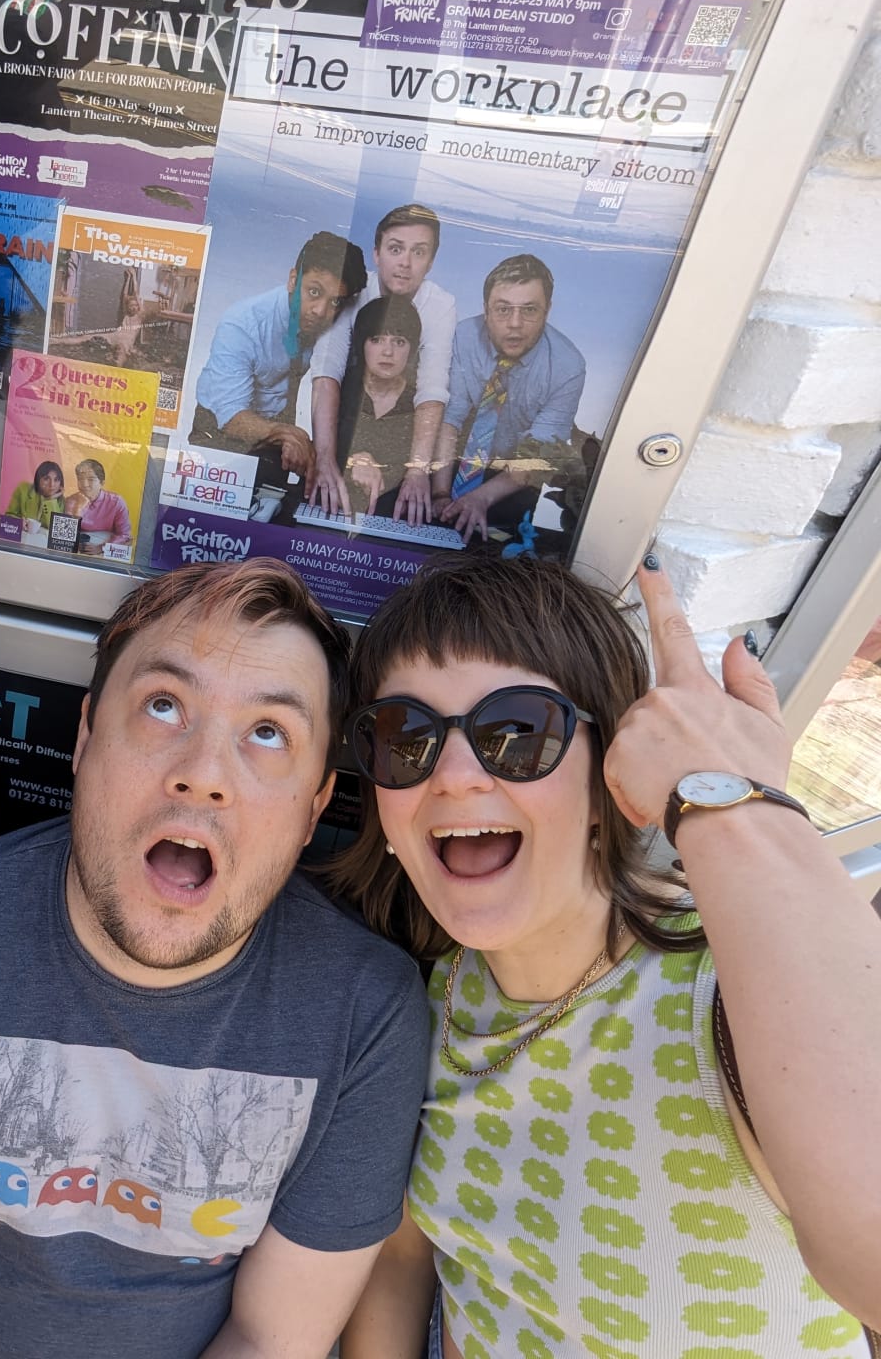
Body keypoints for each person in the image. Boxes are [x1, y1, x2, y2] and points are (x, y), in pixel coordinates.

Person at [0, 559, 431, 1358]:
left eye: (269, 733)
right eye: (165, 706)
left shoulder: (366, 1015)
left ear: (316, 807)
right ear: (86, 736)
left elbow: (272, 1337)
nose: (203, 775)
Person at [333, 554, 881, 1359]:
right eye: (404, 738)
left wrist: (731, 799)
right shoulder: (432, 992)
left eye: (517, 732)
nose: (452, 776)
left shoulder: (723, 991)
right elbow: (406, 1256)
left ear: (610, 778)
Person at [307, 204, 456, 523]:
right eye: (395, 249)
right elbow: (327, 370)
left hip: (397, 431)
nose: (405, 263)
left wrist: (418, 470)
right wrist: (325, 458)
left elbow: (432, 388)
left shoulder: (441, 305)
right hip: (347, 421)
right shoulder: (355, 291)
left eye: (419, 252)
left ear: (431, 261)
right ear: (377, 254)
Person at [191, 231, 367, 488]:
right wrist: (286, 434)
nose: (320, 311)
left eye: (335, 301)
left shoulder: (334, 324)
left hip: (278, 430)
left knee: (276, 499)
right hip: (220, 427)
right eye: (314, 291)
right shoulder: (242, 324)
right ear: (293, 280)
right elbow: (230, 416)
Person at [431, 254, 585, 544]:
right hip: (446, 464)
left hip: (512, 481)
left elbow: (535, 455)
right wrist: (439, 494)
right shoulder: (463, 337)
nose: (515, 323)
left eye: (529, 310)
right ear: (485, 309)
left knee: (498, 552)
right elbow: (449, 419)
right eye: (503, 309)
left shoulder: (568, 366)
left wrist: (480, 499)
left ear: (548, 310)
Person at [324, 296, 422, 516]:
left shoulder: (420, 403)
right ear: (362, 344)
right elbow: (317, 450)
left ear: (412, 349)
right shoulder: (338, 390)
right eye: (377, 339)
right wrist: (353, 461)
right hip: (330, 505)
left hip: (396, 515)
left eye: (399, 341)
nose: (388, 352)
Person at [65, 456, 131, 554]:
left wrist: (101, 548)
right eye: (80, 479)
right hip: (79, 549)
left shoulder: (116, 502)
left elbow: (124, 535)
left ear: (102, 483)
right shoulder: (71, 501)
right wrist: (78, 508)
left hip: (105, 549)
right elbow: (66, 535)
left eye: (91, 479)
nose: (85, 484)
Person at [6, 458, 66, 536]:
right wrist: (19, 522)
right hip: (22, 539)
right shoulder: (23, 489)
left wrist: (51, 500)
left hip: (42, 542)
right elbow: (8, 516)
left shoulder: (61, 501)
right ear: (38, 479)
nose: (52, 484)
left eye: (56, 480)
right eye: (46, 479)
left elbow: (57, 531)